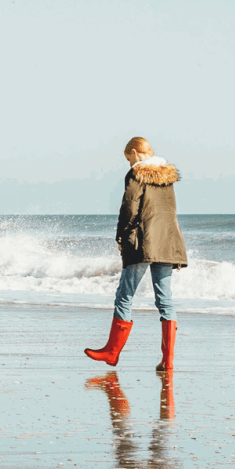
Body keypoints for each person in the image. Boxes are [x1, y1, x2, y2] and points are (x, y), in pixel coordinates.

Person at [85, 137, 187, 371]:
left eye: (128, 157)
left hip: (143, 242)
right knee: (165, 299)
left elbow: (130, 207)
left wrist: (121, 236)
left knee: (125, 294)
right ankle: (168, 362)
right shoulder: (167, 177)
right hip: (168, 242)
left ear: (134, 152)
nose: (128, 162)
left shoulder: (136, 173)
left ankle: (112, 352)